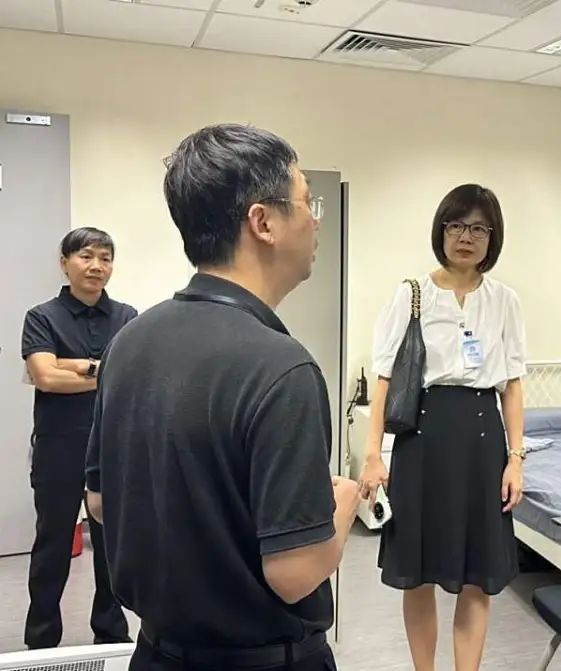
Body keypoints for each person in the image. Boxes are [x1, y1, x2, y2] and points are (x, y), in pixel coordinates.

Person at [84, 123, 362, 671]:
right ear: (263, 222)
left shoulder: (129, 341)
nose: (315, 221)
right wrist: (345, 507)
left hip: (155, 653)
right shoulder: (282, 368)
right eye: (308, 203)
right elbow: (293, 575)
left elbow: (99, 502)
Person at [360, 184, 527, 671]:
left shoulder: (504, 301)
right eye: (456, 226)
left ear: (492, 237)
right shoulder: (412, 294)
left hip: (482, 442)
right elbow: (384, 379)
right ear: (441, 231)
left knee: (476, 576)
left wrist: (516, 459)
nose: (466, 237)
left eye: (478, 228)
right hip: (421, 441)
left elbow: (513, 386)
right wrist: (373, 455)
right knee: (418, 573)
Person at [20, 227, 135, 650]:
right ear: (65, 262)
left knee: (111, 547)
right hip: (59, 445)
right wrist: (101, 370)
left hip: (113, 446)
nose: (96, 266)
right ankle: (41, 640)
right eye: (86, 256)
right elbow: (45, 377)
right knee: (52, 545)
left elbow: (131, 375)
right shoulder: (42, 316)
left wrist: (70, 365)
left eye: (105, 258)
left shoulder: (127, 317)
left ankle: (111, 633)